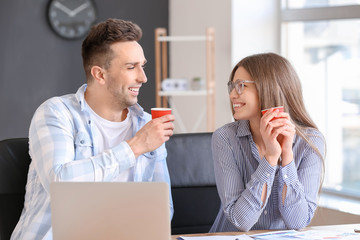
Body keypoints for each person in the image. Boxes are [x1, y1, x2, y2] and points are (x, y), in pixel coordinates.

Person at [11, 18, 175, 240]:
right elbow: (61, 187)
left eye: (142, 66)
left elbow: (163, 208)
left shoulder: (146, 124)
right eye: (131, 67)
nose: (143, 77)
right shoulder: (56, 113)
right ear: (100, 74)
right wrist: (136, 146)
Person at [210, 53, 325, 232]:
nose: (233, 94)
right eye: (232, 86)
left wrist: (286, 155)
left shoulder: (310, 142)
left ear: (268, 88)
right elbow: (240, 221)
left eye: (241, 86)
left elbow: (298, 222)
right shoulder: (225, 138)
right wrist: (271, 158)